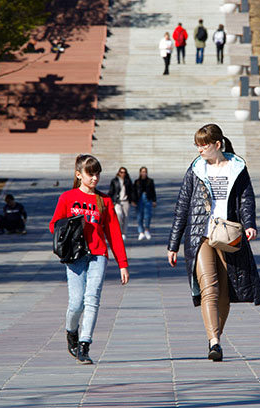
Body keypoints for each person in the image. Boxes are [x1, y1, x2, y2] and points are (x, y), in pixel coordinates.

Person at [167, 123, 260, 362]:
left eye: (204, 145)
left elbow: (246, 200)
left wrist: (249, 224)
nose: (199, 149)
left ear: (217, 144)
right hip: (200, 235)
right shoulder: (195, 169)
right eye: (197, 145)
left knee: (224, 292)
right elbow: (182, 207)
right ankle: (215, 342)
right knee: (209, 289)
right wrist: (173, 244)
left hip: (229, 235)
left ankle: (215, 334)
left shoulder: (237, 168)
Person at [49, 155, 129, 365]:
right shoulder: (67, 198)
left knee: (92, 299)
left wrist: (123, 264)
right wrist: (70, 228)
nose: (95, 178)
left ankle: (84, 345)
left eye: (97, 174)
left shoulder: (104, 201)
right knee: (76, 303)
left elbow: (113, 233)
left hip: (98, 254)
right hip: (74, 257)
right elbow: (54, 225)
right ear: (78, 175)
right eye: (90, 174)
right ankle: (71, 332)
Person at [108, 167, 135, 241]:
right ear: (118, 172)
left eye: (124, 172)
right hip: (117, 201)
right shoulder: (114, 181)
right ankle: (119, 232)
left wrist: (133, 200)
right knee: (119, 215)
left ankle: (124, 233)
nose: (123, 174)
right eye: (121, 172)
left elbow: (131, 191)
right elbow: (111, 191)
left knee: (126, 217)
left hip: (126, 201)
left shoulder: (128, 181)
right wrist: (109, 201)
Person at [133, 166, 157, 240]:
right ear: (140, 172)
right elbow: (133, 192)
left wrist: (154, 200)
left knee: (147, 216)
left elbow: (153, 191)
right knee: (139, 216)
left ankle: (147, 230)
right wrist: (133, 201)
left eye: (145, 172)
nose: (144, 173)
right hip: (139, 199)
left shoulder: (150, 181)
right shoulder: (137, 181)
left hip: (148, 199)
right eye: (143, 172)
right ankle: (141, 232)